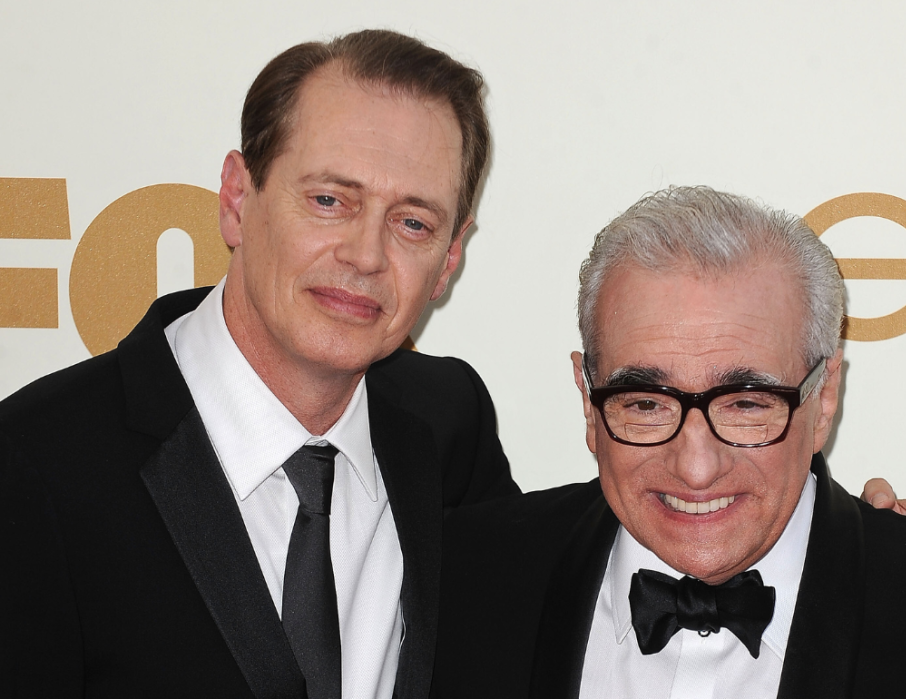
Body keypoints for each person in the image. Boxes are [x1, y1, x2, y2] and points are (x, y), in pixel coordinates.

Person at [0, 31, 518, 699]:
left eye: (413, 222)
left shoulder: (449, 426)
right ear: (238, 199)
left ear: (450, 258)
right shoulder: (35, 463)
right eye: (330, 200)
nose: (365, 254)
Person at [432, 186, 906, 698]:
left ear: (824, 397)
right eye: (646, 403)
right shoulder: (454, 581)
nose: (696, 468)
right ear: (588, 400)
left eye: (746, 404)